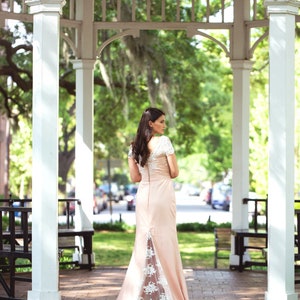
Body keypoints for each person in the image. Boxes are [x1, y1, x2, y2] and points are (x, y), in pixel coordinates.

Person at [117, 108, 189, 300]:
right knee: (166, 240)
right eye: (162, 122)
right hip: (163, 194)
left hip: (144, 195)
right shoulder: (164, 142)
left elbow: (135, 177)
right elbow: (174, 172)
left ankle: (137, 292)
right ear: (151, 123)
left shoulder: (134, 147)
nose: (164, 126)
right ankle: (172, 293)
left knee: (143, 241)